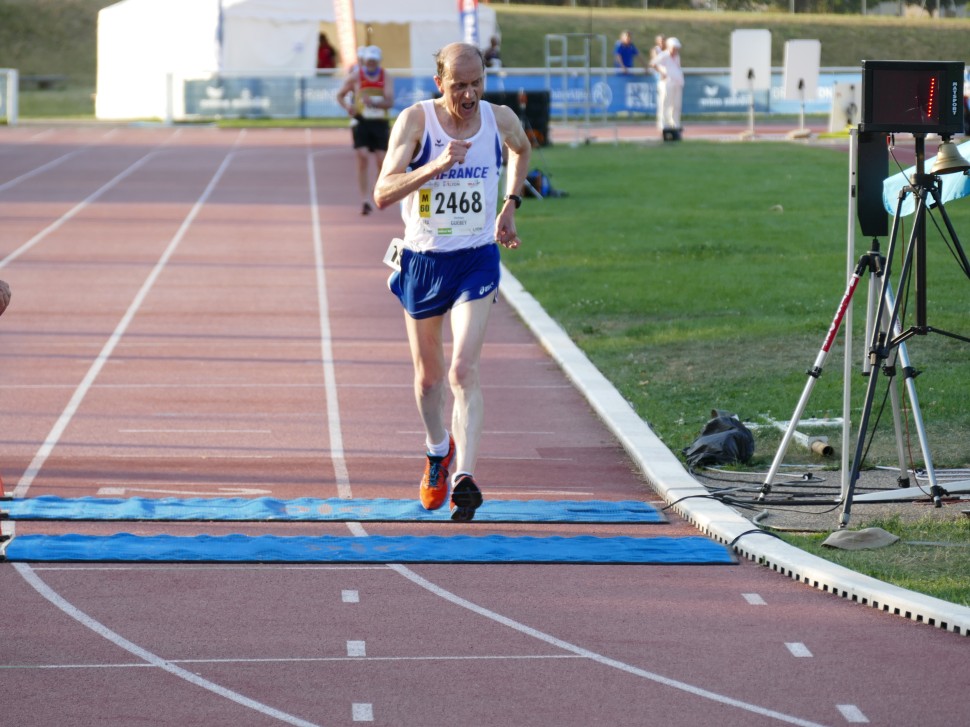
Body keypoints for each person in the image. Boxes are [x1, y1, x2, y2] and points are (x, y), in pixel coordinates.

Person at [373, 42, 531, 522]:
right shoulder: (415, 122)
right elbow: (382, 192)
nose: (468, 94)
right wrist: (436, 166)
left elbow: (521, 150)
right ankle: (437, 450)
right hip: (423, 261)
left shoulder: (498, 117)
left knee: (464, 370)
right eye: (459, 84)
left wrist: (510, 206)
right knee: (428, 379)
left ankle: (465, 476)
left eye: (476, 83)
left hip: (475, 259)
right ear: (439, 81)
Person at [338, 45, 394, 215]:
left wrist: (374, 102)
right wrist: (348, 106)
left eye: (374, 61)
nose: (371, 64)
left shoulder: (386, 77)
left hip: (379, 122)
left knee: (381, 160)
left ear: (378, 61)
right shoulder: (356, 76)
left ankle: (376, 190)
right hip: (361, 121)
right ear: (365, 61)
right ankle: (364, 199)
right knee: (362, 156)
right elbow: (340, 94)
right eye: (368, 61)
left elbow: (390, 101)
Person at [650, 36, 685, 139]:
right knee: (665, 104)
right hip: (666, 83)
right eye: (674, 47)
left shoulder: (677, 57)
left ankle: (675, 124)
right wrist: (662, 72)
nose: (676, 50)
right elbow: (653, 63)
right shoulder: (664, 55)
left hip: (677, 83)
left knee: (676, 105)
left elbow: (677, 67)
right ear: (669, 47)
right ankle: (663, 125)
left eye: (677, 48)